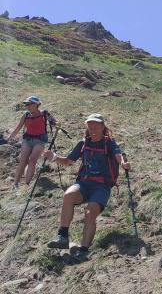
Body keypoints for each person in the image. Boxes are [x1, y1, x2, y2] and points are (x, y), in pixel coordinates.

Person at [44, 113, 130, 264]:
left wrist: (123, 164)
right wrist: (54, 157)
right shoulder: (83, 143)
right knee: (68, 195)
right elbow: (69, 161)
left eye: (96, 124)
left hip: (102, 186)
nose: (93, 127)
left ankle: (83, 250)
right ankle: (63, 236)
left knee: (90, 213)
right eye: (90, 125)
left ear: (103, 127)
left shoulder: (109, 143)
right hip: (84, 183)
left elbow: (118, 155)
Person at [7, 95, 56, 189]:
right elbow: (18, 128)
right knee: (23, 161)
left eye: (29, 104)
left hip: (40, 140)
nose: (27, 106)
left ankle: (27, 185)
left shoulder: (44, 113)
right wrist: (8, 139)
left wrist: (57, 125)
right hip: (27, 140)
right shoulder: (26, 115)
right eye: (26, 104)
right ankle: (15, 184)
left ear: (36, 104)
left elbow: (55, 122)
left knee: (32, 160)